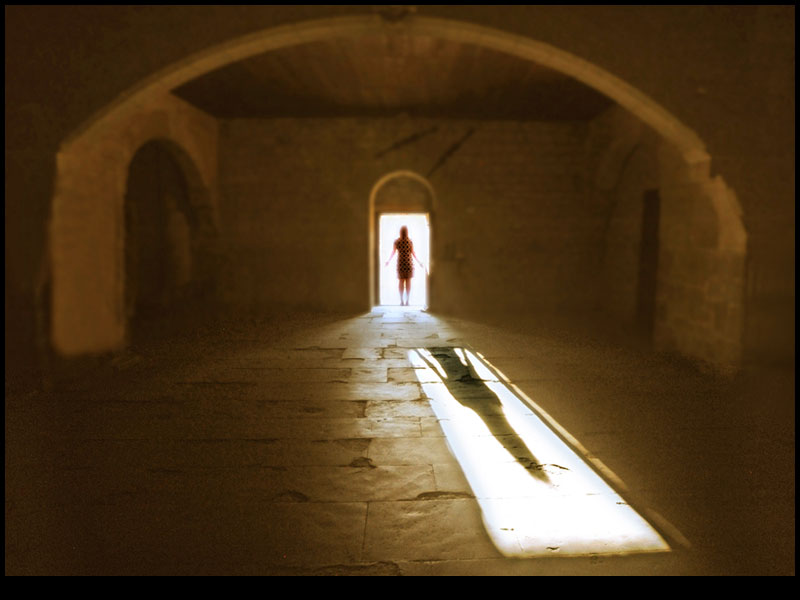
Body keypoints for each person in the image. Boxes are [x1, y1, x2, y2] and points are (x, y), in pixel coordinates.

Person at [385, 226, 425, 306]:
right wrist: (419, 262)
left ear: (400, 232)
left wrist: (388, 260)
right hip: (408, 263)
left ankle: (401, 301)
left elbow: (393, 252)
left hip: (400, 264)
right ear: (407, 232)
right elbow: (413, 253)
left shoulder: (397, 241)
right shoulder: (410, 241)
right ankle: (407, 301)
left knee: (401, 281)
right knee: (408, 282)